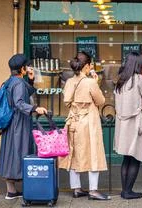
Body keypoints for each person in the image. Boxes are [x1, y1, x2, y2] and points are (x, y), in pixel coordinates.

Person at [59, 52, 110, 200]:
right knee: (93, 153)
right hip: (88, 122)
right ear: (86, 66)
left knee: (73, 154)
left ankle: (76, 188)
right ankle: (93, 190)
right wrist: (96, 82)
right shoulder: (90, 82)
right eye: (90, 65)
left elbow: (66, 102)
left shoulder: (69, 82)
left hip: (73, 121)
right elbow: (100, 101)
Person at [0, 54, 47, 200]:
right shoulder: (18, 83)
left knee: (10, 154)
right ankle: (28, 188)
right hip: (18, 124)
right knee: (19, 152)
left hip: (10, 123)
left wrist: (30, 80)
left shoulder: (10, 81)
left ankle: (11, 191)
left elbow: (27, 91)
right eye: (27, 66)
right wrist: (34, 108)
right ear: (22, 68)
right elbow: (19, 102)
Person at [114, 52, 142, 199]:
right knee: (135, 157)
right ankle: (128, 191)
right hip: (135, 123)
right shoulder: (139, 80)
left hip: (122, 124)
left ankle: (125, 190)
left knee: (126, 158)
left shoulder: (121, 80)